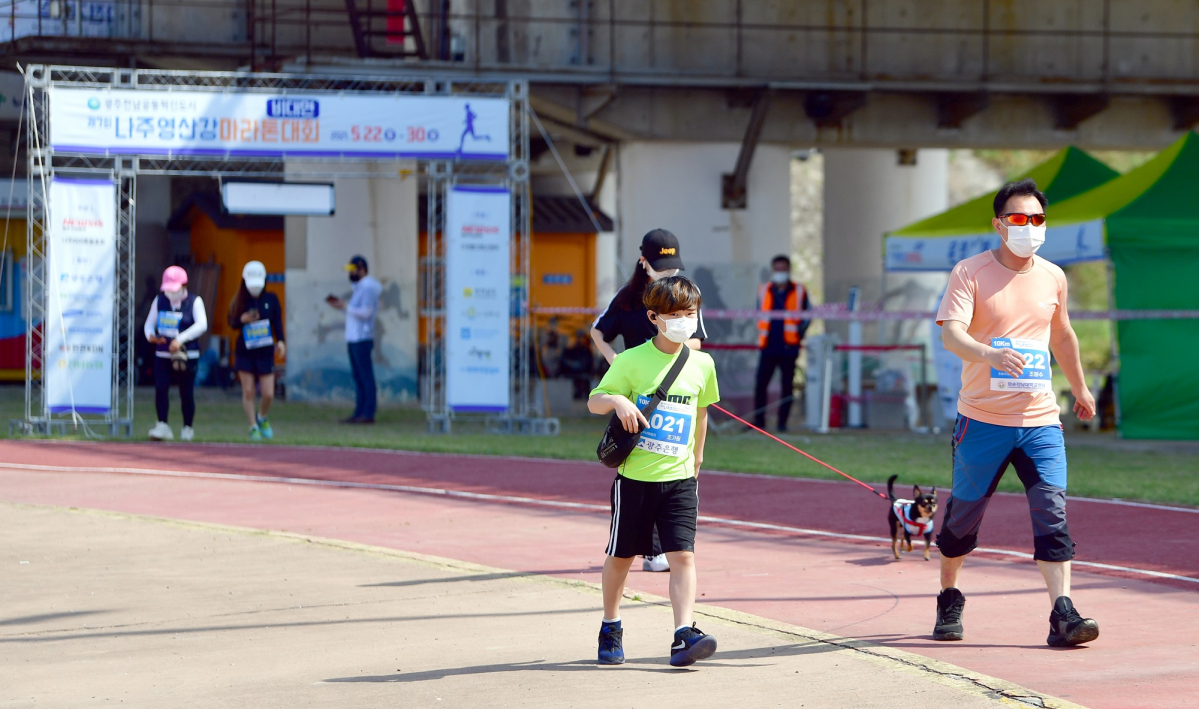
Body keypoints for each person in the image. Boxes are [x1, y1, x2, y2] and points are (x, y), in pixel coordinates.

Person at [933, 178, 1099, 647]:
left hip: (1040, 420)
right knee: (961, 521)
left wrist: (1081, 387)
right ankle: (949, 595)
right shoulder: (969, 272)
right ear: (999, 224)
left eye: (1037, 219)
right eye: (1019, 218)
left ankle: (1062, 614)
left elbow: (1062, 334)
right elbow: (952, 335)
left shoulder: (1053, 276)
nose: (1029, 227)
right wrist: (988, 355)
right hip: (982, 420)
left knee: (1053, 513)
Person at [587, 275, 720, 667]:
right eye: (675, 314)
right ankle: (611, 625)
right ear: (654, 317)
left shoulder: (702, 364)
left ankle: (683, 634)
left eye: (690, 314)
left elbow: (701, 413)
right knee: (622, 557)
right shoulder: (630, 361)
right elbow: (594, 402)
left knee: (683, 557)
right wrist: (617, 401)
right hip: (635, 481)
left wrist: (697, 460)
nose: (684, 321)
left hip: (680, 481)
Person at [591, 228, 708, 573]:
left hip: (674, 394)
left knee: (669, 459)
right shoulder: (627, 297)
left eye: (672, 265)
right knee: (639, 462)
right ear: (643, 261)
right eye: (660, 264)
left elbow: (697, 340)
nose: (668, 271)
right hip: (636, 396)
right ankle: (637, 546)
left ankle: (660, 549)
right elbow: (599, 331)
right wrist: (616, 360)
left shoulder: (686, 294)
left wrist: (673, 359)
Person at [143, 266, 207, 441]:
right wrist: (151, 337)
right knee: (161, 388)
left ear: (184, 285)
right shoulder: (159, 300)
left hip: (187, 355)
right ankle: (162, 424)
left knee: (186, 392)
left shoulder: (195, 301)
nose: (171, 293)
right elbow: (149, 324)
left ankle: (188, 428)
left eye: (175, 289)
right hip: (163, 354)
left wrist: (180, 339)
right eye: (168, 289)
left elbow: (202, 325)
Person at [228, 261, 287, 441]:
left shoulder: (271, 299)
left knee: (268, 392)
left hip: (265, 351)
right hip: (245, 351)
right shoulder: (239, 299)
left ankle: (262, 416)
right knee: (248, 390)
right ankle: (252, 425)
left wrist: (281, 341)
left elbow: (277, 322)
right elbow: (231, 322)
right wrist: (242, 320)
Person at [753, 255, 811, 432]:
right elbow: (757, 312)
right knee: (761, 385)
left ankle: (782, 424)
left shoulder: (800, 290)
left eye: (783, 269)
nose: (780, 273)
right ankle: (759, 423)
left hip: (789, 348)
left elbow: (808, 315)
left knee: (787, 387)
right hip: (768, 346)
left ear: (789, 270)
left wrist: (799, 334)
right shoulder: (764, 289)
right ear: (772, 270)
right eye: (777, 269)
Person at [326, 255, 381, 424]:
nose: (351, 274)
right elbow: (355, 312)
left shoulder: (368, 287)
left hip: (362, 338)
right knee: (358, 376)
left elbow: (366, 313)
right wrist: (342, 307)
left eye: (353, 270)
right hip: (354, 338)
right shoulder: (359, 288)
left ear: (362, 269)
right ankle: (359, 411)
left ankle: (368, 412)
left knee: (365, 376)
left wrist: (346, 307)